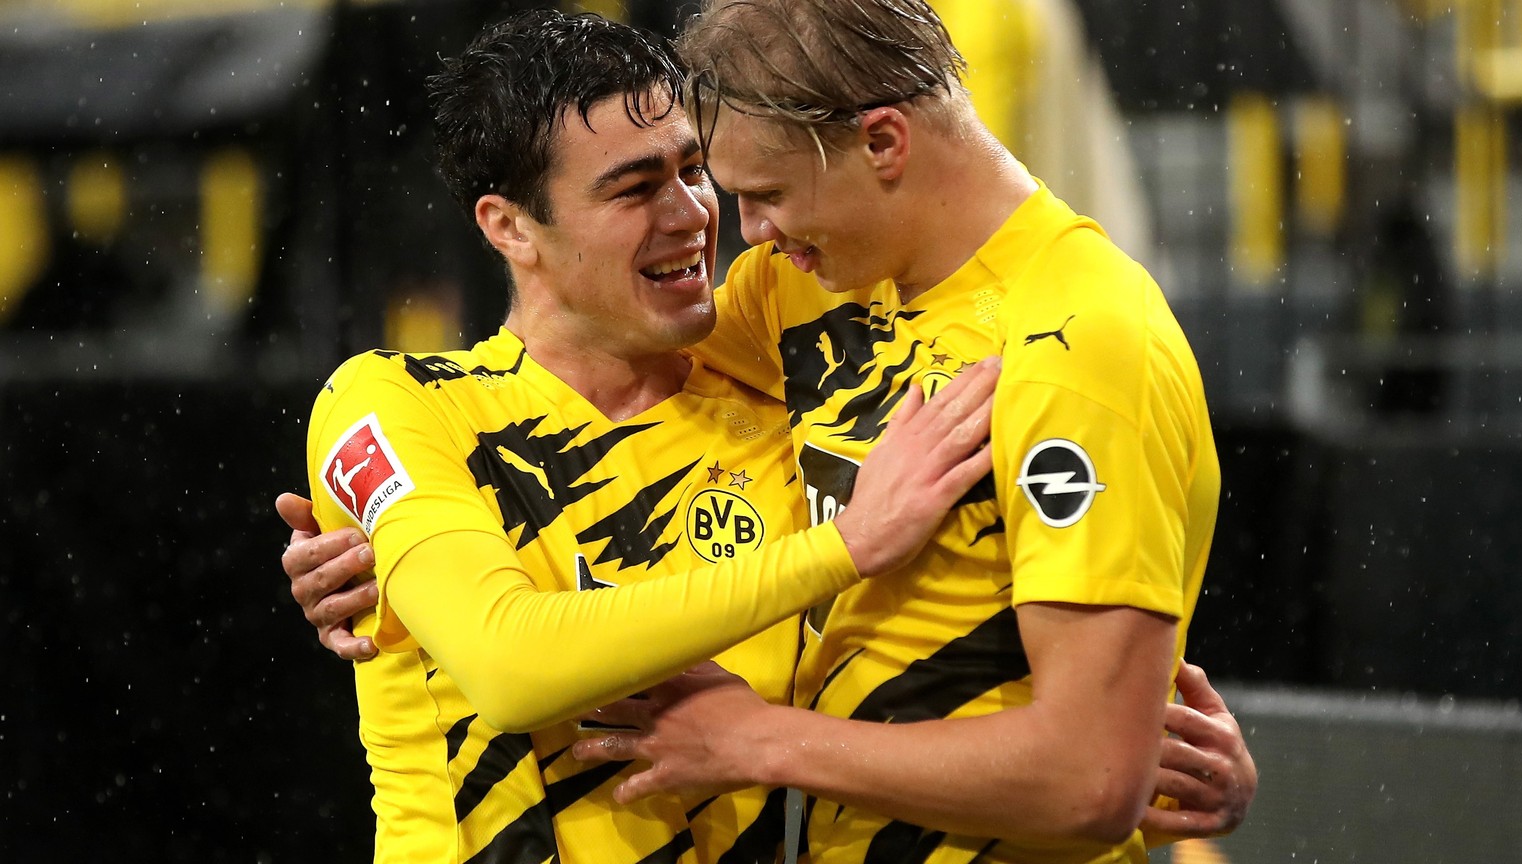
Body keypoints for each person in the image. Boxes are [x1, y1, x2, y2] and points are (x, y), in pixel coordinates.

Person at [280, 2, 1257, 860]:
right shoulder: (407, 401)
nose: (721, 226)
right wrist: (381, 540)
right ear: (509, 226)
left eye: (718, 179)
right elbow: (509, 659)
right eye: (636, 188)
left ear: (880, 145)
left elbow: (1086, 766)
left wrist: (1116, 763)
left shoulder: (1047, 338)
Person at [557, 1, 1234, 861]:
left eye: (767, 195)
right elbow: (570, 384)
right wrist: (380, 518)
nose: (752, 234)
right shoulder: (804, 286)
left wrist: (755, 741)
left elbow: (1092, 781)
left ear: (882, 143)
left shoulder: (1083, 341)